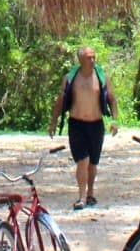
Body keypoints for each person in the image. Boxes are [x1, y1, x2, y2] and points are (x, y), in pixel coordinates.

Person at [48, 46, 118, 210]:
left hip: (96, 124)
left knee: (93, 162)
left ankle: (90, 194)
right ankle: (81, 197)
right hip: (77, 124)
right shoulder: (70, 78)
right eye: (88, 58)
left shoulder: (102, 77)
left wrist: (115, 121)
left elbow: (112, 100)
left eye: (93, 57)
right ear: (80, 60)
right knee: (83, 160)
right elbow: (60, 101)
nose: (92, 60)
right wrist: (53, 122)